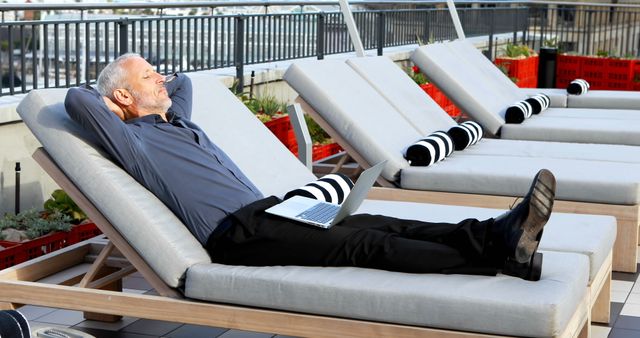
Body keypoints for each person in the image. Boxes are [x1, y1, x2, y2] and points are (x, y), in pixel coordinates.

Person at [65, 53, 555, 281]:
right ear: (124, 96)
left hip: (272, 211)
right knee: (364, 244)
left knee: (376, 220)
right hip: (237, 235)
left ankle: (495, 231)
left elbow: (185, 81)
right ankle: (499, 257)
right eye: (147, 77)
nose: (161, 81)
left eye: (156, 73)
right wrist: (122, 96)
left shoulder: (176, 122)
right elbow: (79, 99)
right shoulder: (133, 139)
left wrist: (153, 87)